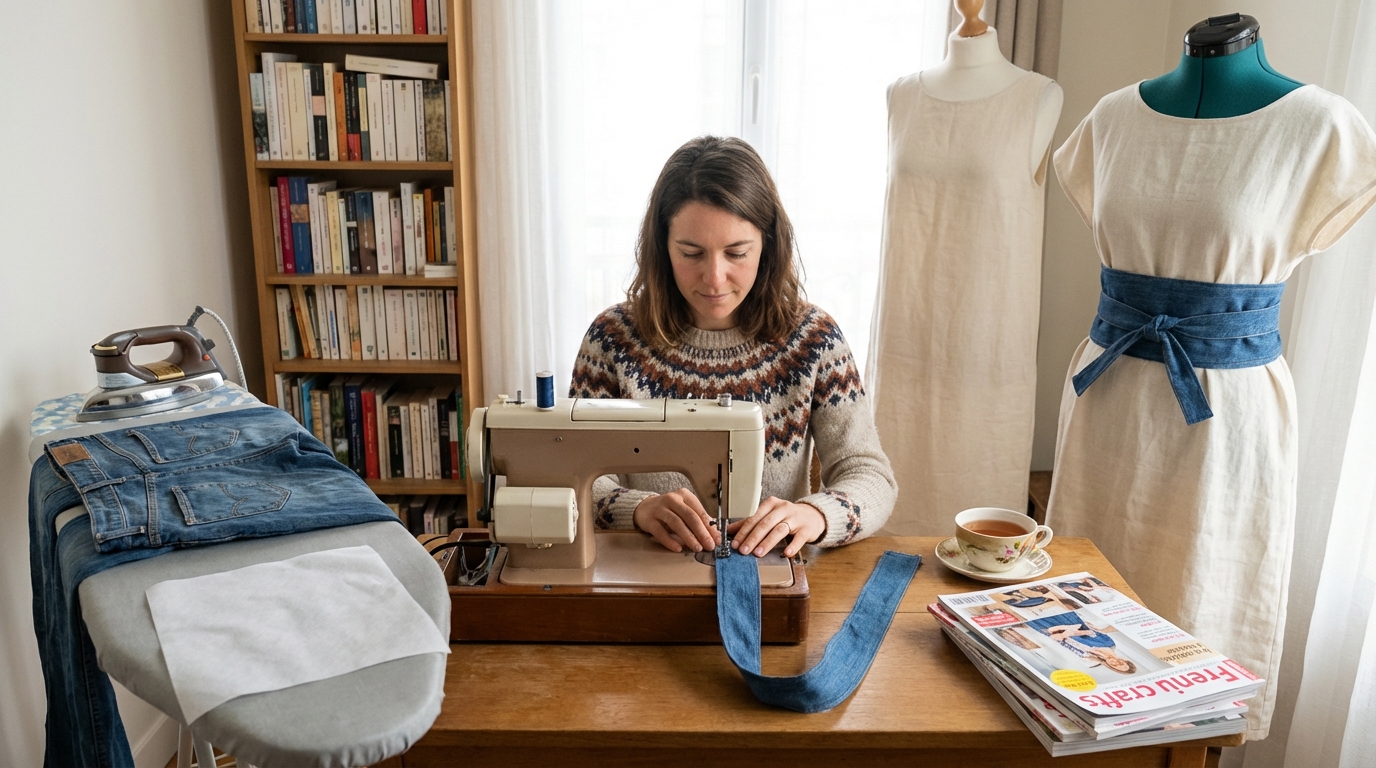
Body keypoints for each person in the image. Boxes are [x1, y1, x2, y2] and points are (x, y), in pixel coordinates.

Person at [569, 136, 897, 558]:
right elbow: (571, 473)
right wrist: (638, 509)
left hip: (768, 565)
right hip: (641, 566)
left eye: (737, 253)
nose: (714, 277)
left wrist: (815, 515)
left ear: (768, 245)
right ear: (663, 247)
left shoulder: (814, 339)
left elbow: (869, 475)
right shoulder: (611, 339)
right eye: (691, 253)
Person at [1026, 611, 1137, 675]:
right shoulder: (1110, 644)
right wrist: (1071, 632)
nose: (1115, 663)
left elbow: (1064, 646)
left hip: (1054, 632)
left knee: (1027, 615)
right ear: (1125, 660)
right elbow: (1091, 630)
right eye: (1121, 663)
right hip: (1068, 622)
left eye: (1115, 666)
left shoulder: (1089, 659)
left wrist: (1060, 635)